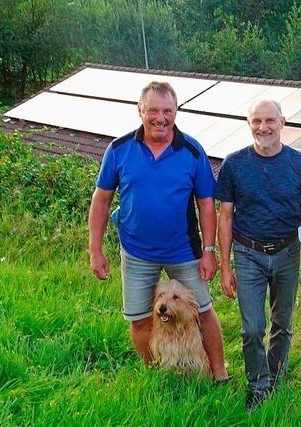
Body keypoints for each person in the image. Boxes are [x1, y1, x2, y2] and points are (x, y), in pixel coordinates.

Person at [88, 81, 228, 380]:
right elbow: (101, 200)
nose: (160, 118)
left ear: (176, 112)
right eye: (153, 110)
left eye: (167, 111)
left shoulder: (191, 151)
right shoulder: (119, 149)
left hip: (184, 250)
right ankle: (157, 372)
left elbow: (206, 204)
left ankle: (218, 373)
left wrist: (209, 251)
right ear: (140, 111)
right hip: (136, 252)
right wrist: (96, 249)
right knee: (140, 319)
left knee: (203, 311)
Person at [215, 99, 301, 410]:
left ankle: (275, 375)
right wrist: (224, 265)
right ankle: (257, 385)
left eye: (270, 120)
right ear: (249, 124)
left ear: (282, 123)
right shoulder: (233, 164)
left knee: (282, 323)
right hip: (248, 253)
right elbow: (225, 215)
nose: (263, 127)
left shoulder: (300, 163)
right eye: (257, 121)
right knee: (252, 328)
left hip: (288, 250)